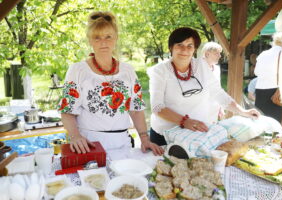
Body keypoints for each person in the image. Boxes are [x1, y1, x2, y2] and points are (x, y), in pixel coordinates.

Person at [58, 11, 164, 157]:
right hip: (89, 145)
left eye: (108, 37)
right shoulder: (77, 70)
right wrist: (75, 137)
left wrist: (144, 139)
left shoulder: (128, 70)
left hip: (122, 143)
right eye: (97, 37)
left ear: (115, 39)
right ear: (90, 40)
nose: (103, 42)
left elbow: (136, 108)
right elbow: (67, 111)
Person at [147, 27, 260, 146]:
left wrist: (242, 111)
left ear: (194, 49)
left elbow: (218, 93)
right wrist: (185, 121)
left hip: (195, 134)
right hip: (165, 134)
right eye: (179, 44)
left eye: (190, 45)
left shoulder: (201, 66)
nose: (184, 49)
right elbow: (157, 107)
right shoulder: (159, 71)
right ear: (171, 47)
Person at [254, 32, 282, 122]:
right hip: (276, 91)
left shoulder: (263, 54)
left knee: (261, 119)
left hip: (260, 89)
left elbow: (256, 72)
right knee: (277, 121)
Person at [201, 42, 224, 121]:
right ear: (207, 54)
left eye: (219, 53)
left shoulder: (216, 68)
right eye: (216, 53)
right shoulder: (197, 68)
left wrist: (220, 106)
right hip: (199, 109)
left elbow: (218, 88)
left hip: (214, 108)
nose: (220, 56)